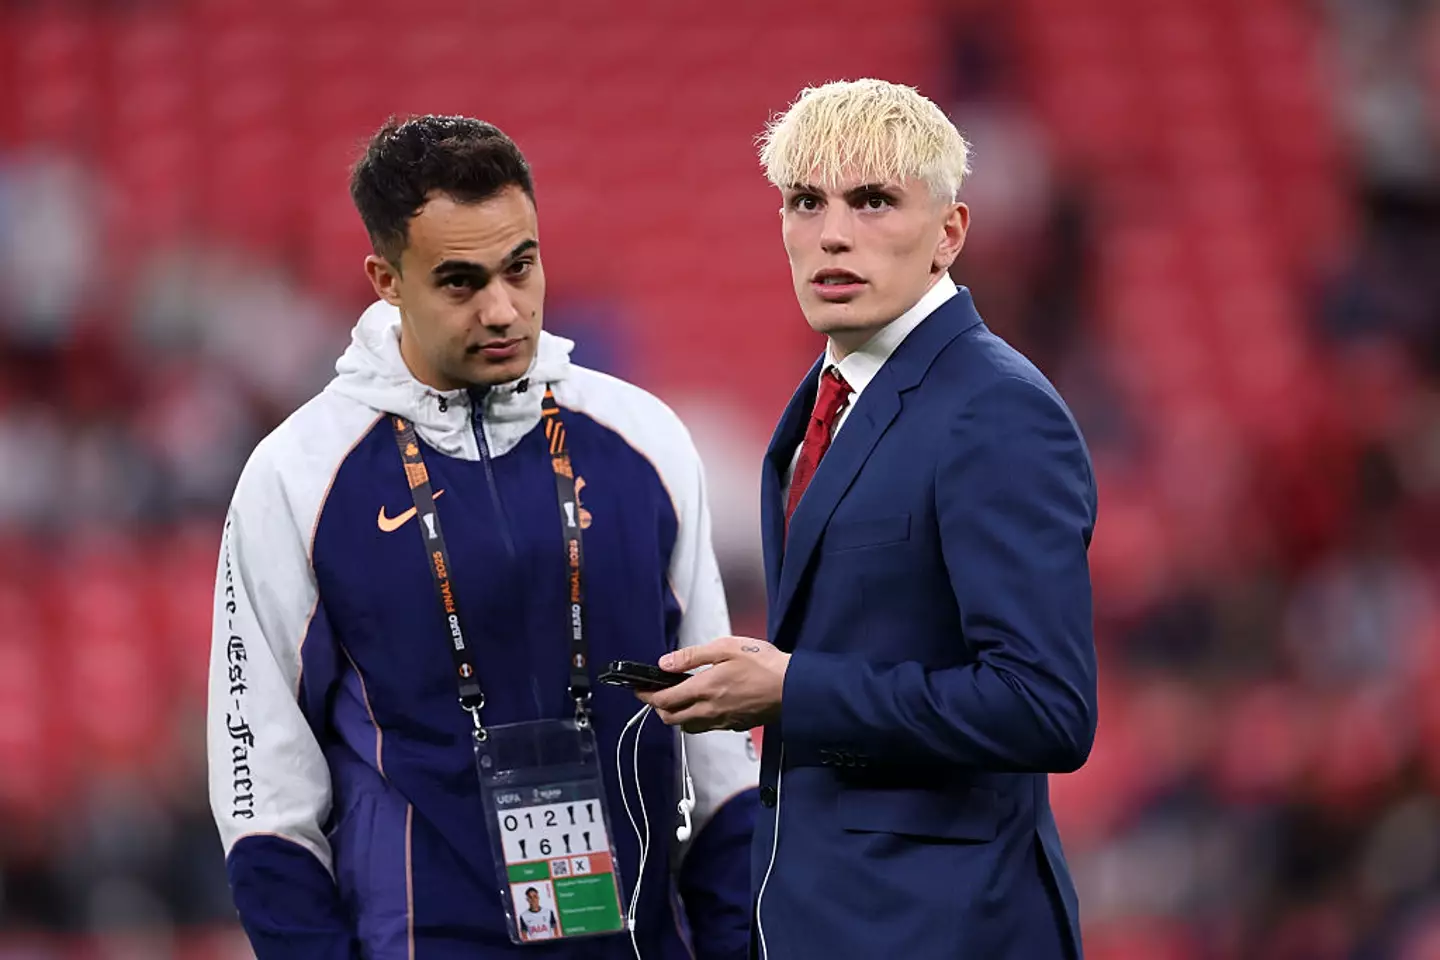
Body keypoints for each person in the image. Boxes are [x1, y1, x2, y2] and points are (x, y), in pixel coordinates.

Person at [207, 115, 758, 959]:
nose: (503, 309)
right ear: (386, 279)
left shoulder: (643, 442)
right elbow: (264, 799)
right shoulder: (297, 477)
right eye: (460, 282)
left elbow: (720, 763)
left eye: (520, 268)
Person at [638, 79, 1099, 958]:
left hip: (952, 928)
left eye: (874, 200)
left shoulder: (996, 411)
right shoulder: (829, 399)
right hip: (836, 919)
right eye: (805, 202)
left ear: (949, 234)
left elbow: (1046, 707)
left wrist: (791, 688)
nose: (833, 234)